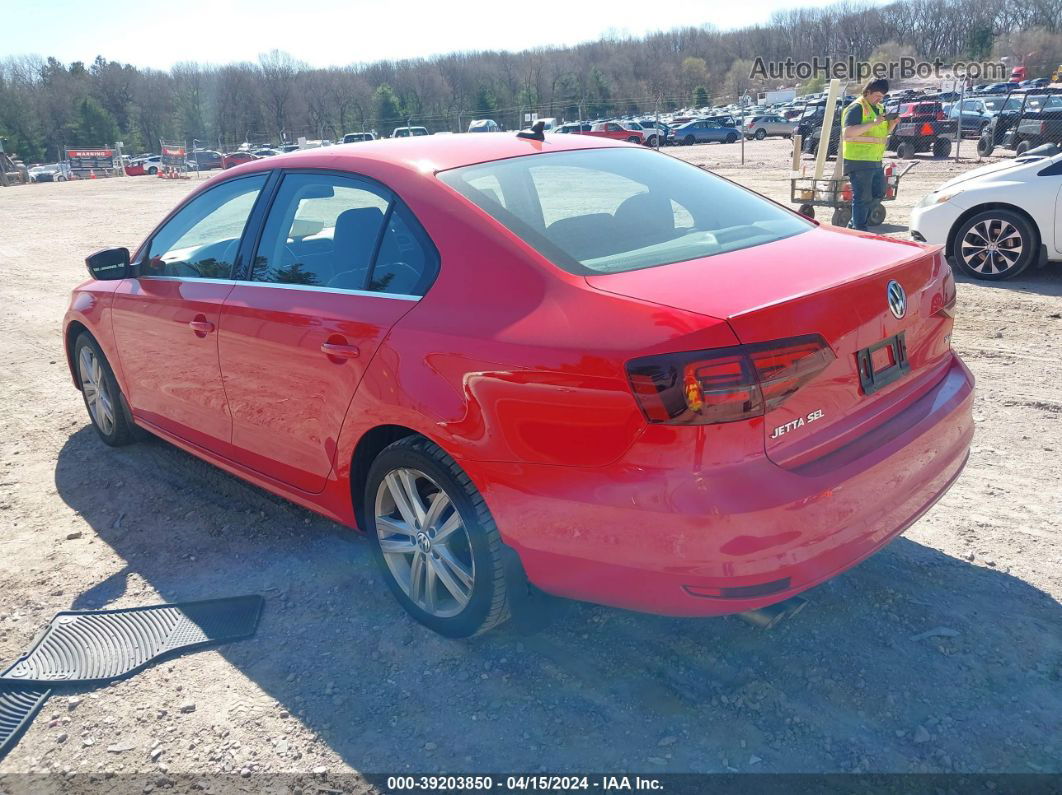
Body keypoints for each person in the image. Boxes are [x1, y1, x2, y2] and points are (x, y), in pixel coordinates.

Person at [841, 78, 900, 231]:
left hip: (875, 159)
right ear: (867, 92)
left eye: (882, 97)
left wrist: (892, 124)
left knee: (879, 192)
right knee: (862, 197)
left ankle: (854, 225)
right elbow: (848, 133)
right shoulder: (856, 108)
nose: (880, 99)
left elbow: (883, 132)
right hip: (858, 160)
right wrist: (873, 123)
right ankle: (860, 229)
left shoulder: (880, 108)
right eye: (877, 96)